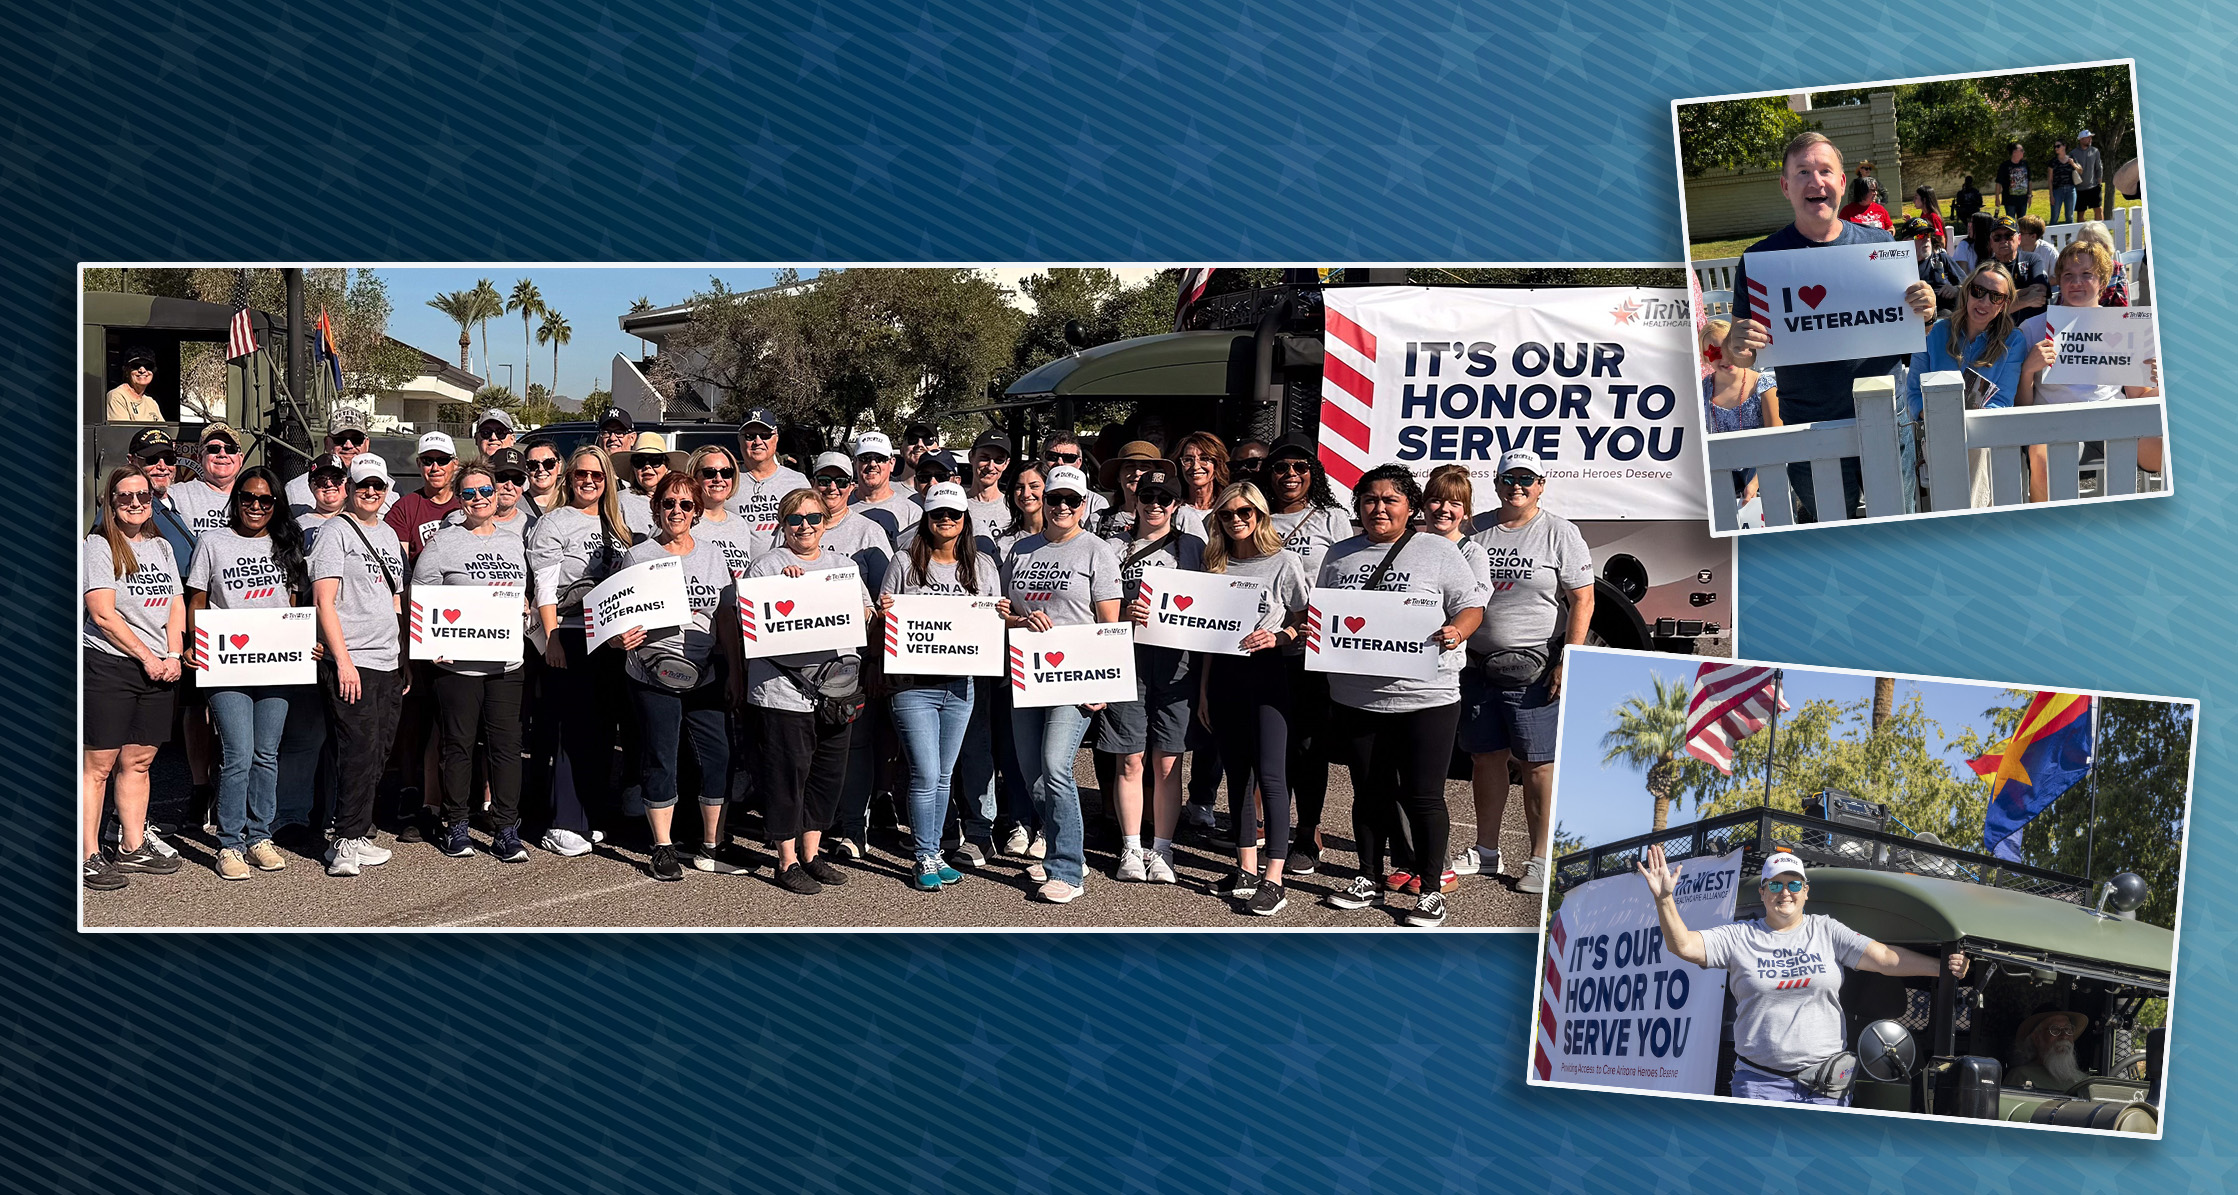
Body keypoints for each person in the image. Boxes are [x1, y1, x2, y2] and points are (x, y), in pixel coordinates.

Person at [1638, 847, 1969, 1104]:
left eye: (1794, 884)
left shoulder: (1825, 930)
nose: (1786, 892)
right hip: (1760, 1084)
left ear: (1805, 891)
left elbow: (1883, 958)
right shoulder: (1740, 937)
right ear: (1764, 893)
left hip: (1826, 1087)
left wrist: (1942, 969)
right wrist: (1665, 899)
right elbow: (1683, 945)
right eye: (1777, 885)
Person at [1724, 132, 1936, 522]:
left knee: (1899, 523)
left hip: (1886, 418)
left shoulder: (1879, 246)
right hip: (1809, 426)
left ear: (1841, 182)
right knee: (1833, 533)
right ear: (1786, 186)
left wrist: (1925, 310)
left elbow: (1913, 329)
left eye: (1825, 170)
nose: (1815, 180)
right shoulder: (1760, 261)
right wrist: (1737, 344)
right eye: (1803, 171)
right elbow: (1742, 352)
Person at [1319, 465, 1483, 928]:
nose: (1379, 508)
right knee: (1368, 793)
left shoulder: (1439, 552)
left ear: (1411, 506)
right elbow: (1326, 615)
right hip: (1355, 697)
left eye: (1390, 499)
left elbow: (1472, 605)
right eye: (1369, 499)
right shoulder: (1339, 555)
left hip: (1426, 697)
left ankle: (1430, 890)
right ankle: (1367, 876)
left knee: (1423, 796)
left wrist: (1457, 630)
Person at [1457, 451, 1591, 897]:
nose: (1517, 486)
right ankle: (1486, 850)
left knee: (1537, 765)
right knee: (1485, 758)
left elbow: (1583, 599)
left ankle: (1539, 859)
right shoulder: (1475, 528)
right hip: (1476, 665)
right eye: (1508, 478)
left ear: (1541, 484)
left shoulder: (1559, 533)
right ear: (1495, 484)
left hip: (1532, 669)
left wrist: (1568, 658)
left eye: (1526, 479)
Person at [999, 464, 1123, 905]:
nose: (1063, 507)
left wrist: (1104, 682)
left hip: (1078, 679)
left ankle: (1068, 867)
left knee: (1055, 766)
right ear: (1043, 503)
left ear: (1085, 505)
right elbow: (1007, 613)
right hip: (1027, 676)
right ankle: (1060, 846)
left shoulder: (1098, 551)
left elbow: (1110, 622)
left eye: (1073, 500)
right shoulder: (1020, 551)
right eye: (1056, 500)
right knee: (1033, 777)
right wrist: (1020, 618)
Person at [616, 472, 746, 881]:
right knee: (661, 757)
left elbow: (724, 617)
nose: (676, 511)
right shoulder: (638, 557)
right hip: (653, 674)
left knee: (719, 755)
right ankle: (662, 846)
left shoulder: (712, 555)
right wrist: (618, 640)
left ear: (697, 512)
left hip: (705, 672)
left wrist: (734, 671)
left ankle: (711, 844)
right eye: (669, 503)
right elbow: (614, 618)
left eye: (685, 505)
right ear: (656, 509)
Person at [1188, 480, 1310, 916]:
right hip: (1223, 677)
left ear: (1260, 515)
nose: (1237, 520)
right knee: (1237, 776)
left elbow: (1307, 622)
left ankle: (1274, 878)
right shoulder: (1214, 564)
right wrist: (1202, 690)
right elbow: (1205, 638)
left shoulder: (1284, 562)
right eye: (1227, 514)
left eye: (1246, 512)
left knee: (1272, 777)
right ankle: (1245, 867)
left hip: (1268, 675)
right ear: (1217, 519)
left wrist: (1278, 637)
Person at [186, 465, 312, 879]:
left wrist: (303, 640)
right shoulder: (212, 542)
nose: (255, 506)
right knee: (238, 752)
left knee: (266, 753)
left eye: (265, 500)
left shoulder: (285, 544)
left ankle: (260, 836)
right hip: (227, 665)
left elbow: (292, 605)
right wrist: (193, 641)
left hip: (277, 663)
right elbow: (198, 600)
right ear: (235, 500)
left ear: (276, 505)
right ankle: (230, 844)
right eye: (247, 498)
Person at [747, 488, 873, 895]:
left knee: (826, 775)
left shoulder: (842, 566)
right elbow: (751, 625)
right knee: (787, 777)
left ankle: (812, 854)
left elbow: (865, 615)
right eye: (796, 519)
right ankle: (785, 860)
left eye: (814, 518)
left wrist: (872, 611)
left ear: (825, 522)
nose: (805, 526)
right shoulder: (765, 567)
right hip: (783, 692)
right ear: (783, 524)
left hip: (836, 691)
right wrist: (786, 592)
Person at [411, 464, 534, 863]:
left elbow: (524, 595)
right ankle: (457, 826)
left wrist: (525, 608)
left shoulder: (515, 542)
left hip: (506, 664)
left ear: (497, 492)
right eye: (469, 493)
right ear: (460, 500)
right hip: (457, 666)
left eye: (485, 490)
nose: (479, 498)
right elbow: (422, 597)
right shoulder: (444, 542)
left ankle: (505, 830)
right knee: (458, 748)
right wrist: (430, 642)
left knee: (506, 748)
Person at [878, 481, 995, 891]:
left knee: (944, 775)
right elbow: (882, 622)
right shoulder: (903, 562)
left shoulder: (982, 567)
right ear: (926, 519)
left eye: (954, 514)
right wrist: (885, 613)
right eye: (937, 514)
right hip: (913, 687)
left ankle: (936, 850)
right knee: (925, 773)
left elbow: (992, 624)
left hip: (960, 686)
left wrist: (1001, 614)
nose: (946, 520)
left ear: (965, 520)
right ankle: (923, 855)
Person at [525, 445, 637, 856]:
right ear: (568, 478)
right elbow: (545, 586)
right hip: (569, 636)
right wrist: (552, 635)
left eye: (597, 475)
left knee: (603, 730)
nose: (588, 481)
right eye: (580, 475)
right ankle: (564, 820)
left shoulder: (618, 524)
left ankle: (591, 815)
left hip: (610, 641)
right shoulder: (554, 522)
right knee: (570, 731)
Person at [82, 466, 186, 890]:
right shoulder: (99, 545)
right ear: (111, 501)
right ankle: (87, 853)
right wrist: (148, 657)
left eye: (142, 496)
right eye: (125, 496)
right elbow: (103, 614)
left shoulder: (161, 546)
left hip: (159, 667)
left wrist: (174, 654)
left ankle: (131, 845)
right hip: (112, 665)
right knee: (98, 765)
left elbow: (176, 604)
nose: (135, 503)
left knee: (139, 761)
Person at [309, 456, 407, 877]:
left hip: (387, 659)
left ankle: (358, 829)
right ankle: (344, 838)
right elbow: (323, 599)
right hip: (354, 661)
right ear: (351, 486)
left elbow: (396, 601)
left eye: (379, 487)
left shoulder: (386, 533)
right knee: (357, 750)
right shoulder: (335, 532)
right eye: (364, 485)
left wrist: (403, 660)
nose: (371, 492)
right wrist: (343, 661)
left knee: (380, 749)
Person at [1104, 468, 1201, 887]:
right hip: (1127, 660)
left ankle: (1161, 847)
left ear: (1177, 505)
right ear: (1136, 498)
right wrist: (1122, 614)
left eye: (1165, 498)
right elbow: (1098, 605)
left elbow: (1210, 600)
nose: (1155, 505)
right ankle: (1130, 845)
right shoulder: (1111, 546)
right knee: (1129, 758)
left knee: (1167, 761)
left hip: (1176, 663)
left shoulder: (1193, 546)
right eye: (1149, 496)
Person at [1261, 435, 1352, 870]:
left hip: (1311, 648)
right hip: (1257, 646)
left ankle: (1308, 832)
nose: (1290, 475)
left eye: (1300, 466)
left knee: (1308, 745)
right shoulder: (1253, 514)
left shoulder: (1332, 518)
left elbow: (1345, 579)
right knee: (1268, 742)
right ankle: (1269, 827)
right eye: (1280, 467)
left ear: (1313, 472)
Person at [2016, 239, 2164, 501]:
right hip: (2055, 429)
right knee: (2042, 457)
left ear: (2103, 280)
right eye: (2068, 275)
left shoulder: (2124, 327)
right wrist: (2028, 370)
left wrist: (2160, 381)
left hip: (2114, 424)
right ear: (2058, 280)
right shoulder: (2033, 328)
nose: (2076, 282)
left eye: (2087, 275)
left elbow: (2139, 395)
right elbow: (2021, 408)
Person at [810, 450, 899, 858]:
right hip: (800, 661)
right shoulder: (795, 525)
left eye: (839, 481)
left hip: (852, 661)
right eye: (823, 480)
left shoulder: (867, 532)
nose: (830, 488)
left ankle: (853, 828)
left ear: (851, 486)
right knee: (812, 745)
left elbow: (885, 607)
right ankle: (815, 823)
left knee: (855, 744)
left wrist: (879, 662)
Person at [1907, 262, 2032, 509]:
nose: (1984, 301)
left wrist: (1969, 420)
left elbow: (2002, 401)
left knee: (1975, 443)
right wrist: (1940, 417)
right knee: (1963, 445)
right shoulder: (1934, 332)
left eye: (1995, 296)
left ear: (2004, 304)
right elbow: (1913, 394)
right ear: (1967, 292)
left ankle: (1961, 524)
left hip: (1984, 433)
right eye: (1978, 291)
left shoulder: (2013, 341)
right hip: (1936, 431)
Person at [1699, 319, 1781, 502]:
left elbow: (1777, 442)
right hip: (1723, 468)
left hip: (1762, 466)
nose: (1726, 358)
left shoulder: (1763, 386)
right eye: (1715, 352)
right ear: (1705, 357)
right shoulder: (1702, 391)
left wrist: (1756, 482)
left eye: (1731, 349)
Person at [727, 407, 810, 556]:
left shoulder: (798, 482)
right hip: (741, 576)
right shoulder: (725, 482)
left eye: (765, 435)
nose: (757, 442)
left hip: (788, 572)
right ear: (739, 439)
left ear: (776, 437)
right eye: (750, 436)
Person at [284, 406, 395, 517]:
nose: (348, 446)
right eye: (340, 440)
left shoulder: (390, 489)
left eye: (356, 439)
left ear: (366, 443)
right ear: (327, 443)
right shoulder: (296, 490)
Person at [387, 431, 462, 557]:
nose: (435, 467)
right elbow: (401, 563)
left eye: (443, 460)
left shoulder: (469, 502)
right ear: (418, 463)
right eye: (427, 460)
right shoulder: (404, 509)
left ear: (455, 464)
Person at [686, 445, 756, 579]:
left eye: (726, 473)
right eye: (709, 473)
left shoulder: (740, 525)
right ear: (694, 478)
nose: (719, 479)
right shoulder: (681, 521)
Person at [172, 423, 245, 538]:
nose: (222, 454)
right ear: (200, 458)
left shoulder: (255, 498)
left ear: (240, 458)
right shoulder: (176, 495)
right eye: (213, 449)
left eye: (230, 449)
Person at [849, 431, 922, 541]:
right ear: (855, 463)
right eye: (865, 458)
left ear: (892, 463)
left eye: (880, 458)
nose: (873, 464)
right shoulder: (839, 506)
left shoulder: (912, 513)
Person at [1093, 440, 1170, 543]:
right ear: (1118, 476)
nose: (1137, 472)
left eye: (1145, 467)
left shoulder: (1176, 518)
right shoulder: (1098, 520)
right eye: (1129, 467)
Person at [1895, 216, 1966, 317]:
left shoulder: (1942, 258)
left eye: (1927, 234)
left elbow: (1969, 285)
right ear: (1906, 241)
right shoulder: (1899, 267)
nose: (1926, 239)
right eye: (1919, 236)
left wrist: (1957, 289)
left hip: (1945, 314)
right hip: (1913, 316)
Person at [2006, 1010, 2092, 1091]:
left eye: (2068, 1029)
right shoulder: (2022, 1076)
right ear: (2037, 1038)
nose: (2064, 1036)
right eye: (2054, 1030)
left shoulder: (2084, 1081)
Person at [1038, 431, 1108, 521]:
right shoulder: (1030, 496)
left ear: (1079, 462)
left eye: (1069, 458)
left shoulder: (1095, 503)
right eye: (1052, 456)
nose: (1060, 462)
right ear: (1042, 458)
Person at [1172, 431, 1229, 540]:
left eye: (1204, 459)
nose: (1195, 466)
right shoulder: (1172, 509)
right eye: (1188, 460)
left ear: (1217, 464)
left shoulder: (1228, 506)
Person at [964, 430, 1014, 540]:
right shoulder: (957, 505)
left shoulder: (1014, 507)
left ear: (1006, 464)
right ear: (971, 457)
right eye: (984, 458)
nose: (991, 467)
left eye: (999, 460)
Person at [293, 452, 351, 545]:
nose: (329, 484)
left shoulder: (361, 520)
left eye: (336, 478)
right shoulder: (297, 527)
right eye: (320, 480)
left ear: (347, 484)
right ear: (310, 487)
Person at [621, 432, 672, 532]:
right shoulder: (621, 501)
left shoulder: (679, 500)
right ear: (633, 468)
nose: (647, 466)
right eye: (639, 461)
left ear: (667, 466)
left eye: (655, 460)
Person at [106, 353, 164, 422]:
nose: (142, 370)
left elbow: (162, 431)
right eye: (136, 366)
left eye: (148, 366)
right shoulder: (117, 396)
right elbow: (122, 431)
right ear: (126, 371)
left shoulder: (151, 402)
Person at [521, 439, 567, 515]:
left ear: (559, 466)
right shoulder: (516, 506)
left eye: (548, 463)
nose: (541, 469)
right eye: (533, 465)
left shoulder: (571, 502)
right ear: (526, 469)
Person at [895, 420, 942, 489]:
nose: (920, 444)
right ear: (901, 450)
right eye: (912, 439)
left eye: (928, 439)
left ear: (939, 450)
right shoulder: (881, 490)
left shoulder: (951, 493)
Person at [1994, 140, 2033, 219]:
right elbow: (1998, 182)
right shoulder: (2004, 166)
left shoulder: (2025, 164)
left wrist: (2030, 195)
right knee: (2011, 222)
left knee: (2022, 222)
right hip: (2009, 201)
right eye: (2021, 150)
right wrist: (1997, 198)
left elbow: (2029, 180)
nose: (2023, 152)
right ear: (2014, 152)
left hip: (2023, 200)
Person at [2073, 129, 2105, 223]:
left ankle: (2099, 232)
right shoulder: (2073, 153)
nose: (2090, 139)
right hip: (2079, 189)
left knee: (2098, 209)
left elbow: (2099, 167)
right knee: (2080, 214)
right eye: (2088, 137)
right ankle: (2083, 233)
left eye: (2091, 137)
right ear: (2081, 139)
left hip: (2094, 186)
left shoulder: (2095, 151)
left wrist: (2099, 183)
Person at [2048, 141, 2079, 225]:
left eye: (2058, 146)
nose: (2056, 148)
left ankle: (2069, 237)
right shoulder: (2053, 161)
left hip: (2070, 190)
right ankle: (2052, 237)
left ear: (2064, 146)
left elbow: (2080, 171)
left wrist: (2073, 164)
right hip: (2057, 190)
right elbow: (2050, 180)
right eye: (2055, 147)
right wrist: (2051, 195)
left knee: (2070, 216)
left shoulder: (2071, 158)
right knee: (2054, 216)